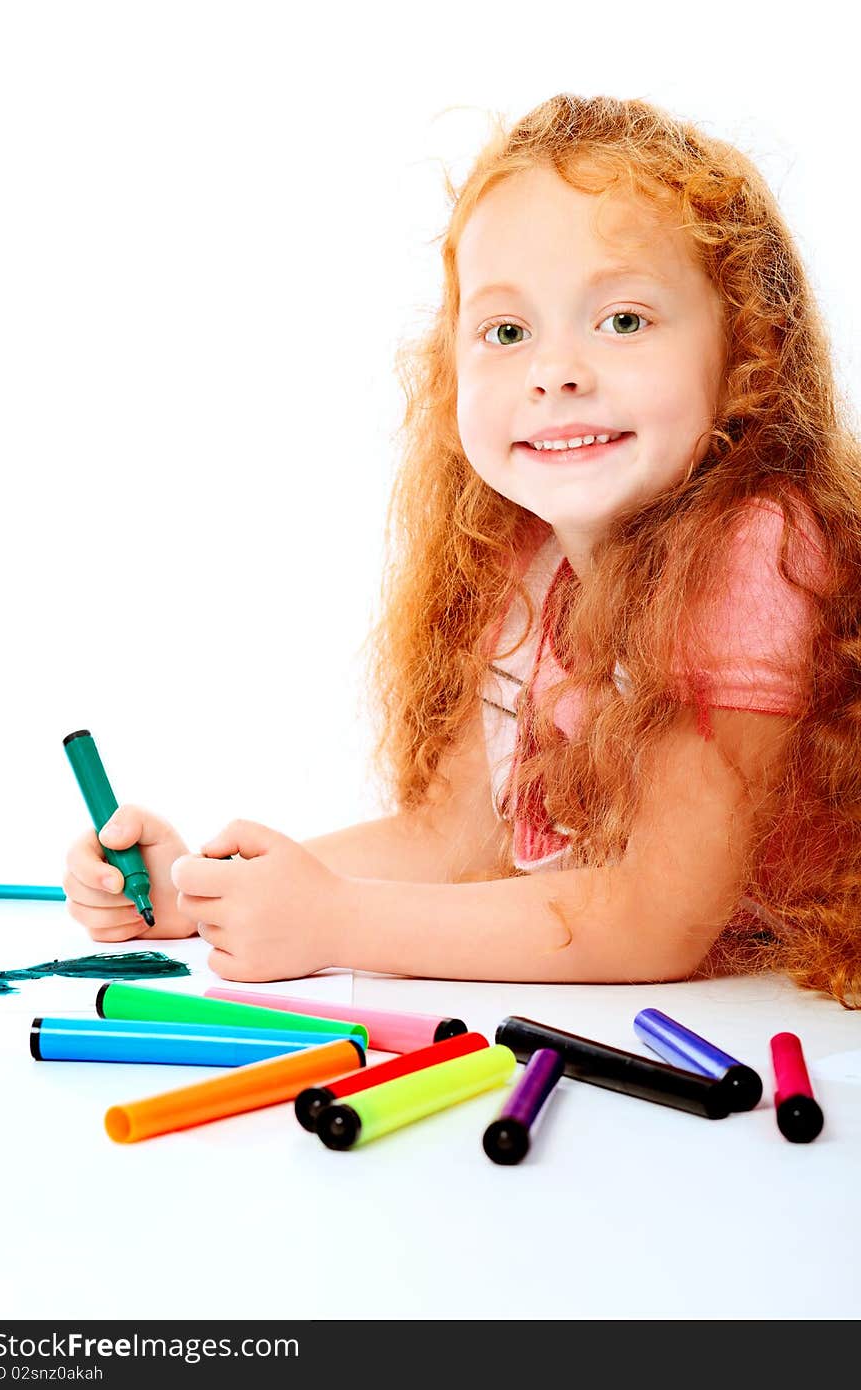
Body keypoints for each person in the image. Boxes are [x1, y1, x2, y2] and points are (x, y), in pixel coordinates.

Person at [62, 93, 861, 1006]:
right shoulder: (530, 557)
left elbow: (652, 915)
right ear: (453, 368)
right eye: (508, 332)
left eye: (625, 320)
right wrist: (201, 895)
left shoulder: (757, 545)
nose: (554, 370)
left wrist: (334, 923)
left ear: (746, 350)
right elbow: (452, 837)